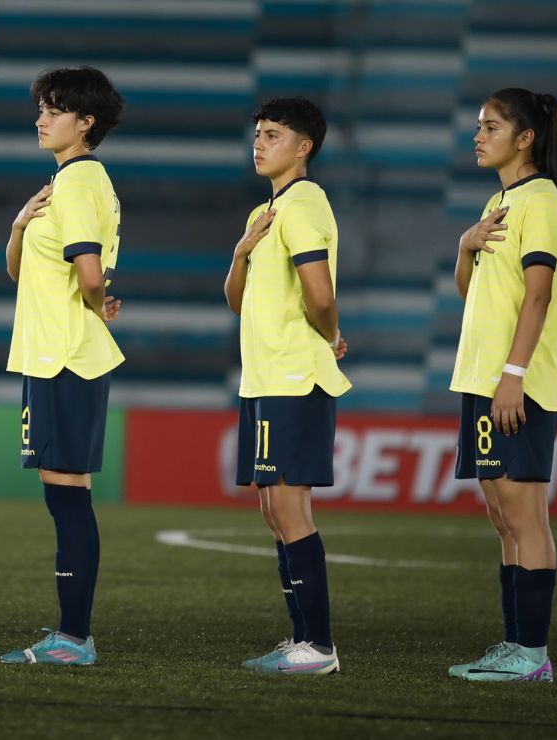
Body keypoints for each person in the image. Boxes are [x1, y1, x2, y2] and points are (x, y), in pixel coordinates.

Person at [447, 88, 557, 683]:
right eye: (479, 126)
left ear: (525, 138)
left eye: (490, 126)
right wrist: (464, 246)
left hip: (513, 381)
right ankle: (513, 646)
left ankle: (533, 655)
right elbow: (473, 294)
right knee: (503, 516)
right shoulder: (498, 202)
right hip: (482, 376)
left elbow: (539, 295)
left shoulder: (542, 200)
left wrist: (514, 377)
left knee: (526, 517)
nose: (478, 135)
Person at [0, 66, 124, 666]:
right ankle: (71, 634)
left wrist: (100, 301)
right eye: (41, 108)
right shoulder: (68, 182)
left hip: (65, 355)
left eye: (54, 109)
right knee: (67, 494)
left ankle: (74, 638)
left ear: (86, 122)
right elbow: (22, 271)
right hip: (57, 352)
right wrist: (21, 223)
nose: (41, 118)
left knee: (68, 496)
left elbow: (90, 273)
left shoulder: (77, 182)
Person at [224, 96, 350, 675]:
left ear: (304, 148)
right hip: (266, 376)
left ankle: (318, 646)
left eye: (273, 134)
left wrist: (330, 333)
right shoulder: (263, 213)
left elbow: (319, 294)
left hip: (294, 377)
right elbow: (237, 300)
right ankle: (301, 639)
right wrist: (241, 254)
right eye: (258, 133)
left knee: (290, 507)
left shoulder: (304, 203)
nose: (259, 142)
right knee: (274, 509)